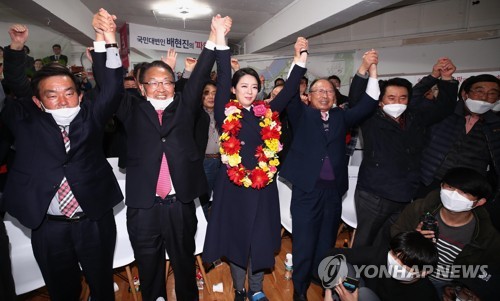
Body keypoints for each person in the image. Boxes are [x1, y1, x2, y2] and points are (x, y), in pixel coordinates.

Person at [1, 9, 123, 300]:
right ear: (38, 101)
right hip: (49, 227)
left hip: (93, 220)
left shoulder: (90, 116)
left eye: (69, 92)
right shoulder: (25, 121)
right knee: (62, 291)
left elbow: (113, 87)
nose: (62, 99)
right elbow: (15, 85)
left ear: (79, 95)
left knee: (102, 287)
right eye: (52, 95)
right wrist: (17, 50)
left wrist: (106, 40)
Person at [114, 14, 231, 301]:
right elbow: (108, 87)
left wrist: (214, 38)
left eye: (167, 81)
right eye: (153, 83)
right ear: (141, 87)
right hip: (144, 208)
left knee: (183, 264)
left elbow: (201, 74)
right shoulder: (132, 111)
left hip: (179, 204)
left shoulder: (184, 107)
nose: (161, 87)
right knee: (150, 269)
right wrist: (106, 44)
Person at [202, 18, 308, 300]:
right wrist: (222, 38)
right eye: (243, 86)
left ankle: (258, 289)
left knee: (259, 239)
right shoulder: (225, 112)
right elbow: (224, 74)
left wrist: (300, 60)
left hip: (262, 188)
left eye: (253, 87)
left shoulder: (268, 114)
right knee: (237, 240)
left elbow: (287, 92)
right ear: (234, 91)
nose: (249, 91)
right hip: (233, 188)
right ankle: (239, 290)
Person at [279, 50, 381, 301]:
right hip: (306, 191)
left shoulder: (341, 116)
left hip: (333, 192)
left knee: (326, 242)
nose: (325, 95)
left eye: (329, 91)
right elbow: (290, 90)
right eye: (319, 91)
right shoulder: (300, 114)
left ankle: (321, 279)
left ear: (335, 96)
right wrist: (298, 60)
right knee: (303, 242)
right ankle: (300, 289)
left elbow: (369, 102)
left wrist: (372, 70)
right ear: (309, 96)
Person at [350, 57, 458, 248]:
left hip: (406, 193)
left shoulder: (416, 118)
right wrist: (364, 68)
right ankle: (355, 276)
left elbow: (444, 108)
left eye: (403, 98)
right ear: (380, 101)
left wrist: (445, 79)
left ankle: (379, 275)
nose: (397, 102)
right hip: (374, 194)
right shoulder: (370, 118)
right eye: (391, 98)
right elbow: (356, 99)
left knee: (391, 241)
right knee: (365, 240)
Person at [391, 167, 500, 296]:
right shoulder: (419, 209)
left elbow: (486, 272)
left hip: (446, 285)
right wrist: (412, 238)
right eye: (449, 187)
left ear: (479, 201)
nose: (453, 194)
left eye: (463, 192)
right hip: (409, 271)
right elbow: (395, 233)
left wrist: (459, 288)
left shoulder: (487, 236)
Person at [418, 74, 500, 203]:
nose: (485, 97)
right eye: (479, 91)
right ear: (465, 93)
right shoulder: (443, 113)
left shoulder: (495, 126)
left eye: (492, 93)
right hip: (429, 181)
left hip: (467, 190)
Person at [323, 231, 439, 301]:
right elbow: (332, 255)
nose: (395, 262)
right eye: (394, 255)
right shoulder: (381, 254)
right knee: (342, 267)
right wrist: (330, 289)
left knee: (364, 294)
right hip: (362, 291)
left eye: (404, 263)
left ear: (424, 272)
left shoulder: (425, 295)